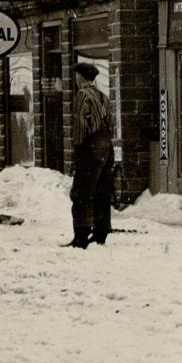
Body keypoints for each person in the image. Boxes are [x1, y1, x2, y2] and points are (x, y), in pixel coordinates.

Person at [69, 62, 115, 248]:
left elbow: (81, 126)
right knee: (102, 191)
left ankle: (81, 234)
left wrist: (78, 149)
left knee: (81, 192)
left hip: (90, 147)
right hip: (106, 146)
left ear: (80, 77)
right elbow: (111, 124)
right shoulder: (103, 96)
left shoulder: (82, 96)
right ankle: (101, 232)